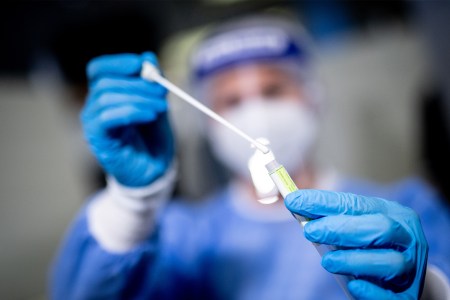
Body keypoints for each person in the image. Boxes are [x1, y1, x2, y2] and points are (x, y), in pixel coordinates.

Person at [51, 15, 450, 299]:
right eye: (231, 101)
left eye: (273, 91)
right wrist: (130, 204)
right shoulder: (186, 237)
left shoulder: (404, 210)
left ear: (312, 96)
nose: (255, 113)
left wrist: (429, 291)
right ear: (209, 123)